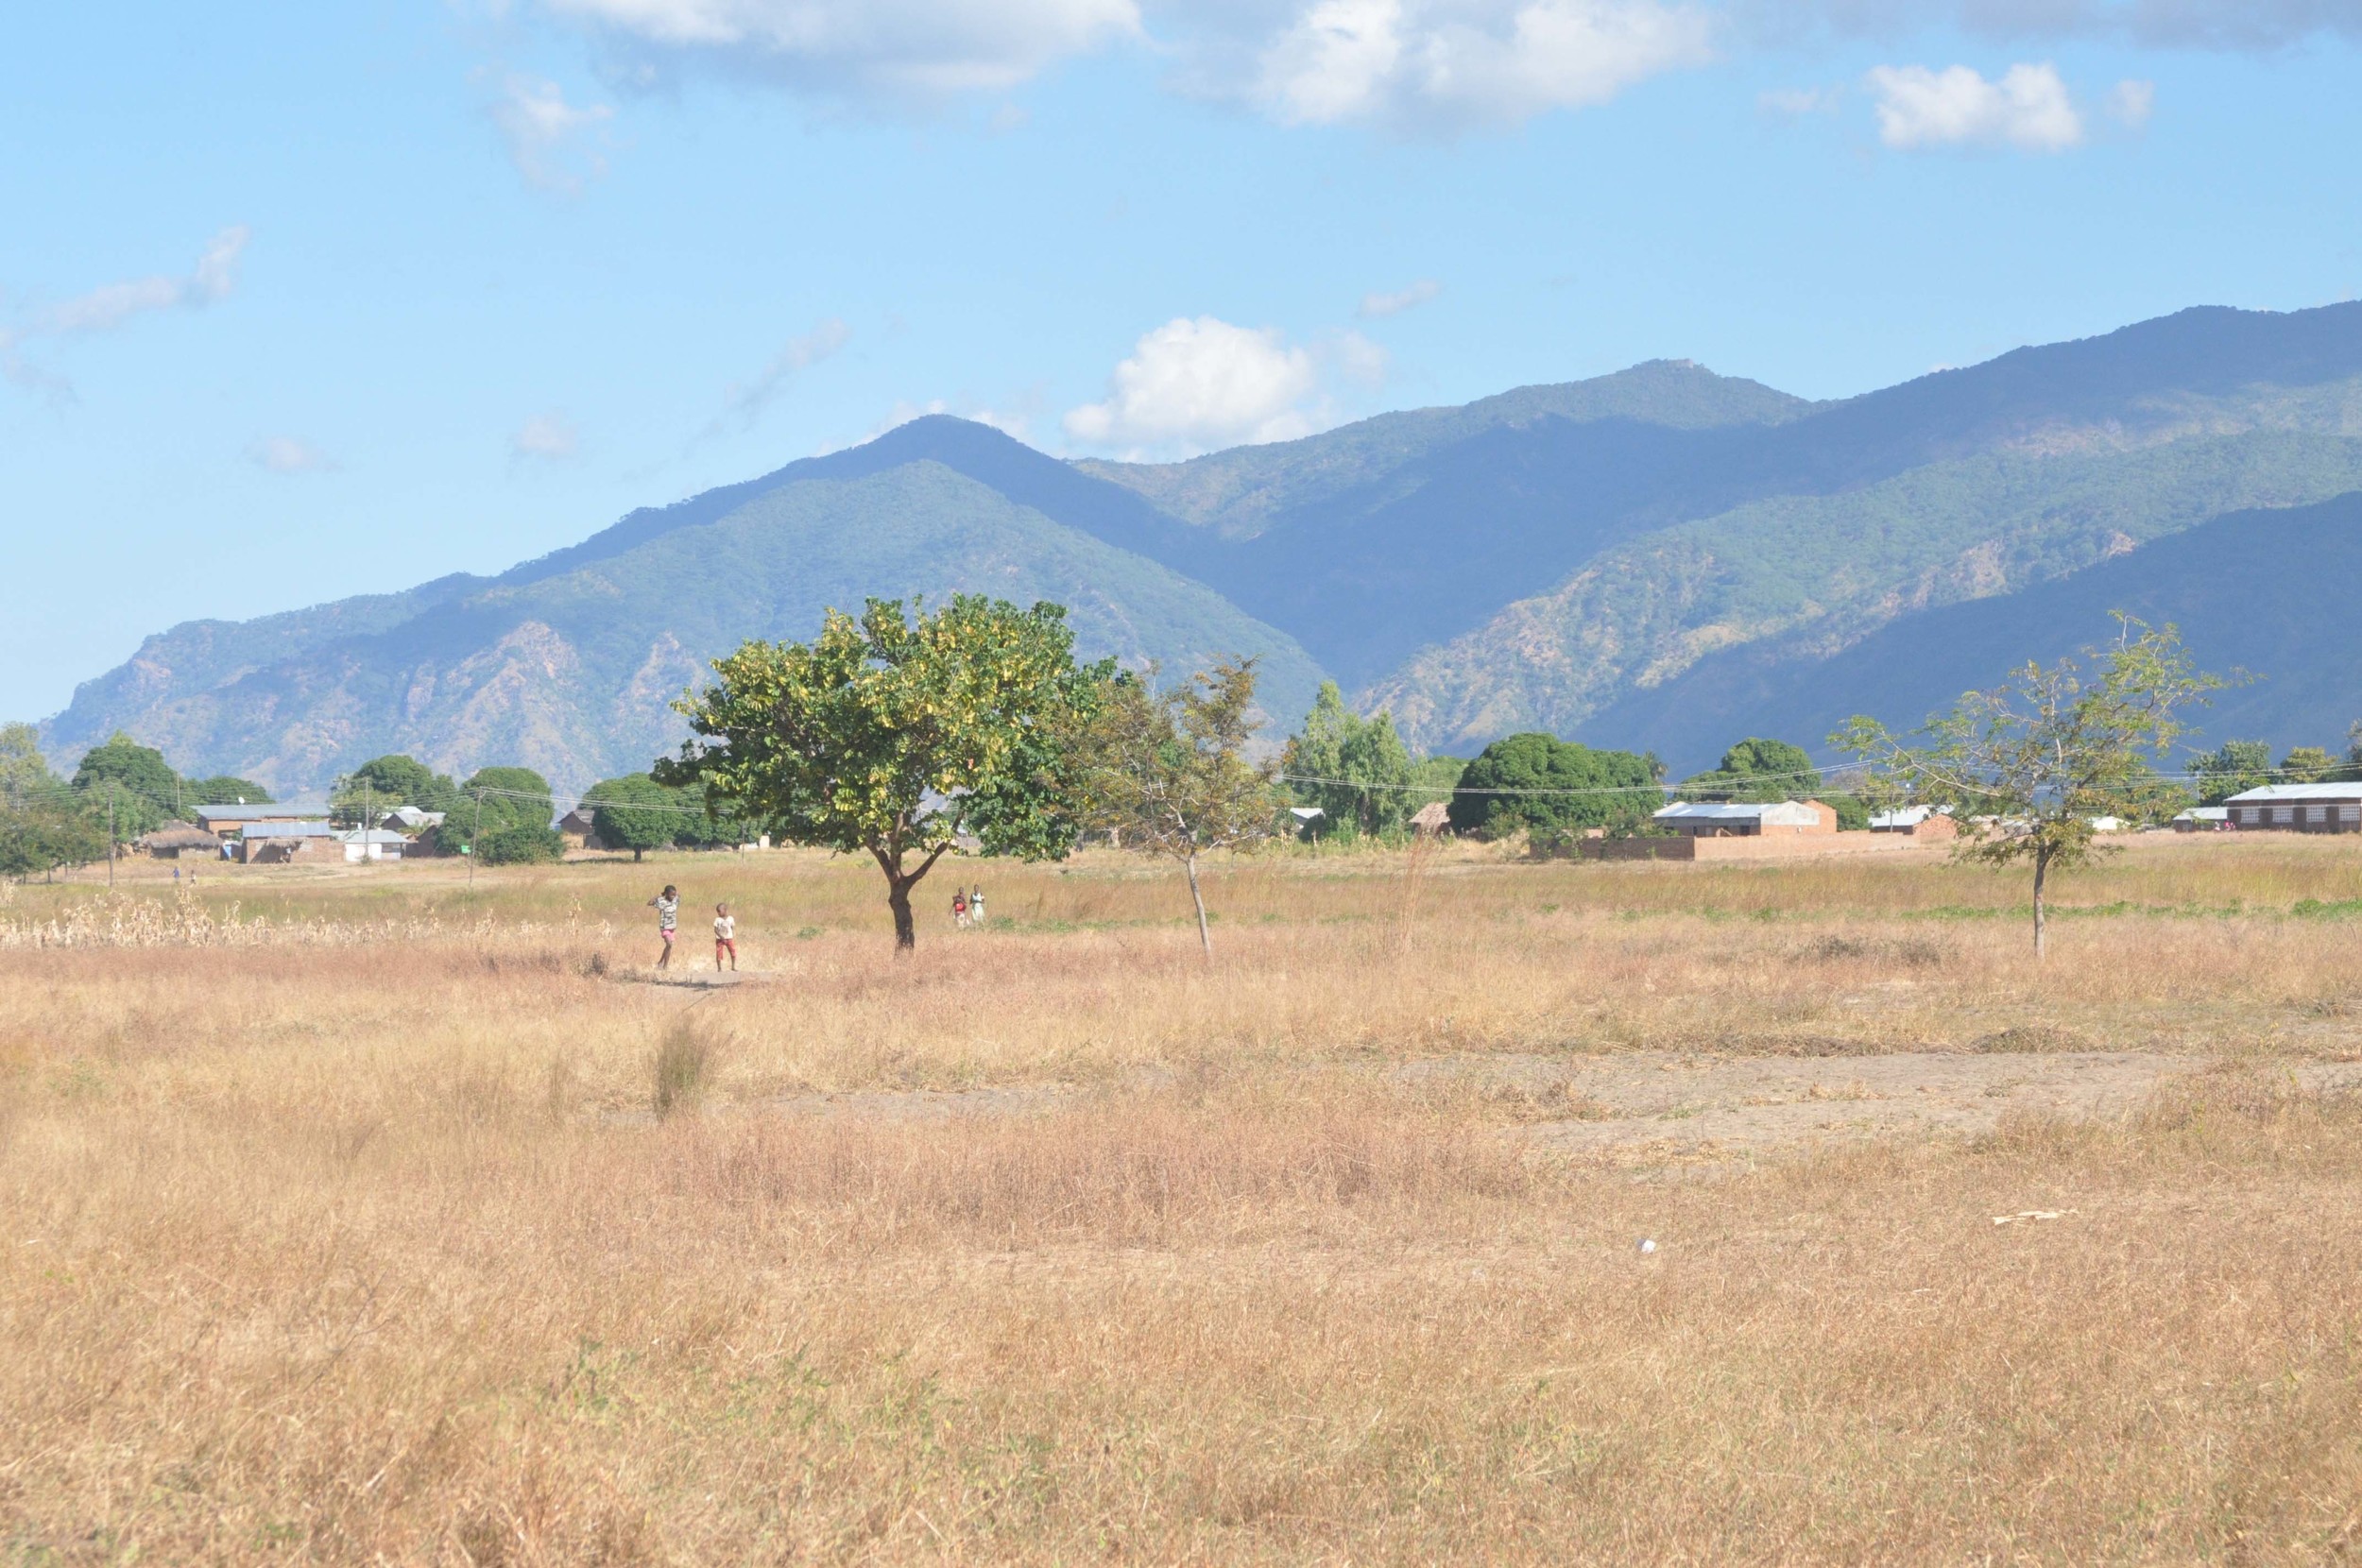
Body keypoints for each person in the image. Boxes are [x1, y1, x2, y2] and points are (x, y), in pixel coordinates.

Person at [647, 885, 679, 969]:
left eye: (674, 894)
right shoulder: (662, 901)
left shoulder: (675, 900)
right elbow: (649, 903)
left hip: (672, 927)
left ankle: (661, 962)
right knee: (669, 944)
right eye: (671, 894)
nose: (673, 896)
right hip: (664, 927)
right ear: (667, 894)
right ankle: (665, 966)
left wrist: (676, 894)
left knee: (668, 947)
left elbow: (679, 895)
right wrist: (659, 895)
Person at [713, 902, 737, 971]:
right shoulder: (717, 919)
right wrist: (721, 936)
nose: (718, 913)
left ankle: (733, 967)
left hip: (729, 938)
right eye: (717, 912)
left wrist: (732, 934)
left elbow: (732, 927)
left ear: (725, 910)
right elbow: (715, 930)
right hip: (720, 939)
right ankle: (719, 968)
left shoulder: (730, 918)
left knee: (733, 952)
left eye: (719, 911)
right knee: (719, 953)